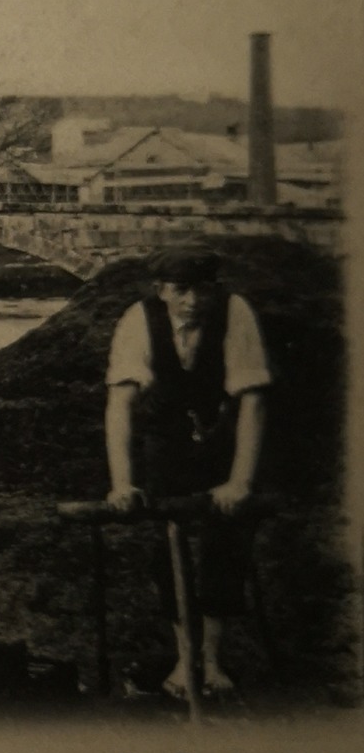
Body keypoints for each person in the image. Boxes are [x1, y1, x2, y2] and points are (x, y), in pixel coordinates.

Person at [104, 247, 270, 699]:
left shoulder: (236, 314)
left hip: (221, 435)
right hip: (165, 441)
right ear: (161, 291)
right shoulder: (137, 321)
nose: (193, 301)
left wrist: (240, 481)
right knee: (165, 539)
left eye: (202, 289)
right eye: (180, 291)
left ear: (215, 289)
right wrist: (122, 482)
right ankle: (183, 658)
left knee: (227, 536)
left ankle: (212, 660)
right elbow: (119, 407)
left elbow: (252, 402)